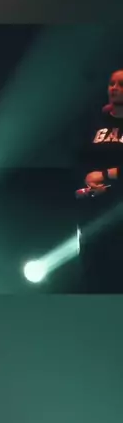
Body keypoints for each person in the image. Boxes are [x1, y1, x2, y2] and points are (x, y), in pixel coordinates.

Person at [75, 68, 123, 291]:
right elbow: (81, 160)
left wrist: (105, 175)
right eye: (112, 83)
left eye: (121, 84)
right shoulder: (95, 122)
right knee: (93, 272)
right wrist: (87, 184)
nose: (114, 88)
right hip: (93, 214)